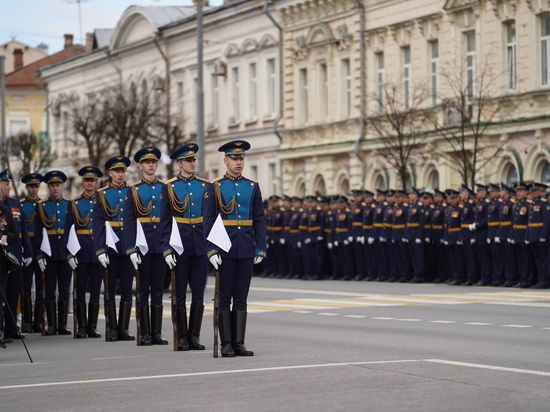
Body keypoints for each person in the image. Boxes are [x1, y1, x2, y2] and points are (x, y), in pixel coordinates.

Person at [204, 140, 266, 357]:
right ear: (225, 161)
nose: (239, 162)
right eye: (234, 158)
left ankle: (239, 342)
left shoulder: (252, 186)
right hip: (224, 248)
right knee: (224, 296)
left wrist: (260, 248)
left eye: (241, 158)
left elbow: (259, 219)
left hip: (246, 248)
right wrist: (211, 249)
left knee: (241, 296)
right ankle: (226, 343)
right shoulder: (215, 186)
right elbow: (209, 220)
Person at [160, 143, 210, 351]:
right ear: (179, 163)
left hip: (200, 245)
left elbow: (210, 217)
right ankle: (182, 336)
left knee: (198, 292)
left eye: (194, 160)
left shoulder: (205, 186)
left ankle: (195, 336)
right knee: (179, 293)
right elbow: (164, 221)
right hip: (179, 245)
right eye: (188, 161)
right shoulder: (169, 187)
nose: (192, 163)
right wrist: (166, 248)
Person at [124, 146, 168, 346]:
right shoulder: (133, 190)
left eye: (153, 162)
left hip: (160, 245)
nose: (151, 165)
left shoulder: (165, 188)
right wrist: (131, 249)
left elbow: (170, 220)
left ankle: (156, 332)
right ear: (141, 166)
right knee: (143, 289)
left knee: (158, 288)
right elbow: (129, 221)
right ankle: (144, 332)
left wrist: (169, 246)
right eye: (147, 162)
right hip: (142, 246)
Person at [93, 155, 135, 342]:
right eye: (117, 171)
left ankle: (123, 328)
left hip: (127, 248)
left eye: (122, 171)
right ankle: (111, 328)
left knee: (127, 288)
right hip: (110, 248)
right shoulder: (101, 194)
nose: (120, 174)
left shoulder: (132, 192)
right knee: (109, 290)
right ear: (110, 173)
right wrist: (100, 249)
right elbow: (98, 223)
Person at [65, 166, 104, 338]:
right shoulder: (74, 203)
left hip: (98, 250)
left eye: (93, 180)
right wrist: (70, 253)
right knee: (80, 290)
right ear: (83, 182)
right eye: (87, 180)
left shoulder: (102, 201)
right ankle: (81, 326)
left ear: (97, 183)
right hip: (80, 250)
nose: (90, 183)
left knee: (95, 290)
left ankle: (92, 326)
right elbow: (68, 230)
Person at [35, 171, 72, 336]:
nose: (55, 188)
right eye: (52, 185)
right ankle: (51, 324)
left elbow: (73, 232)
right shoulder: (41, 206)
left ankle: (62, 324)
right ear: (48, 187)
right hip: (49, 252)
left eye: (57, 185)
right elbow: (37, 233)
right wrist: (39, 254)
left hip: (65, 252)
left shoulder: (70, 205)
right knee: (50, 290)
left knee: (64, 289)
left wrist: (72, 253)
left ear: (62, 186)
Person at [0, 169, 32, 341]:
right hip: (1, 258)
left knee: (13, 294)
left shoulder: (14, 203)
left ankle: (11, 329)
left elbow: (23, 230)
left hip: (14, 255)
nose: (9, 187)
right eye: (6, 184)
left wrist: (28, 251)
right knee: (1, 295)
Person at [20, 173, 44, 333]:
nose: (34, 189)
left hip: (42, 248)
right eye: (31, 186)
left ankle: (39, 321)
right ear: (26, 188)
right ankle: (27, 321)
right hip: (27, 249)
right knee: (26, 288)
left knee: (41, 288)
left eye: (36, 186)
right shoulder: (21, 206)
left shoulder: (43, 205)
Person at [0, 184, 19, 348]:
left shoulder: (5, 212)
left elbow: (15, 233)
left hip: (1, 261)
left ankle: (0, 332)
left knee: (1, 297)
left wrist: (7, 235)